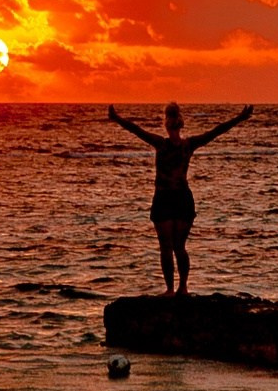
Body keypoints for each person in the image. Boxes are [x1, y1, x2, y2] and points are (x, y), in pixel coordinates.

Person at [107, 101, 254, 295]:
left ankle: (171, 289)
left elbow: (136, 130)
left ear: (166, 124)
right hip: (181, 198)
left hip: (166, 198)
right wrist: (239, 118)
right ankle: (181, 287)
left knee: (167, 247)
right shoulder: (187, 145)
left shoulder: (162, 144)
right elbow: (216, 131)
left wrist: (116, 118)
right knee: (178, 247)